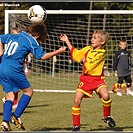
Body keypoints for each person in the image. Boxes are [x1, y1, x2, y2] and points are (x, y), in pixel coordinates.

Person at [0, 22, 66, 131]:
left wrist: (1, 52)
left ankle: (5, 122)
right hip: (13, 68)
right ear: (37, 36)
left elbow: (0, 38)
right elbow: (43, 56)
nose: (39, 42)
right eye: (40, 40)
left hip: (1, 67)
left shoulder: (17, 35)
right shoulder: (31, 41)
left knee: (10, 96)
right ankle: (16, 116)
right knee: (28, 92)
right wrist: (58, 51)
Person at [60, 30, 116, 131]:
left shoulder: (101, 53)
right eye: (92, 37)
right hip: (85, 79)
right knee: (77, 100)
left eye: (95, 38)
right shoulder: (87, 49)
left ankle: (107, 116)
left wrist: (83, 61)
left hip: (97, 79)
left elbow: (90, 66)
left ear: (102, 42)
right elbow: (76, 54)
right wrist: (67, 41)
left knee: (106, 95)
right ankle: (76, 126)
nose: (92, 39)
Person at [1, 27, 22, 109]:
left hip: (12, 67)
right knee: (13, 85)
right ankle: (12, 101)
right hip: (7, 67)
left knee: (14, 85)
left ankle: (11, 101)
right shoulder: (9, 42)